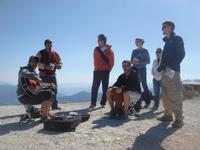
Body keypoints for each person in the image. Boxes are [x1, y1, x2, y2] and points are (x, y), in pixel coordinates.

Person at [157, 21, 185, 128]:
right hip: (165, 72)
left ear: (170, 27)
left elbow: (181, 54)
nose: (162, 29)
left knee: (175, 95)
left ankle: (179, 120)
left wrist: (171, 66)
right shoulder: (167, 42)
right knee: (165, 95)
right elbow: (164, 59)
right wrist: (160, 68)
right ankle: (168, 115)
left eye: (164, 26)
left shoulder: (177, 39)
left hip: (173, 72)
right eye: (162, 26)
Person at [17, 56, 55, 120]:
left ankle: (46, 113)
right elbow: (24, 73)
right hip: (23, 96)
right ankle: (44, 117)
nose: (34, 63)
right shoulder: (23, 69)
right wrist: (36, 78)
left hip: (30, 95)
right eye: (32, 61)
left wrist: (49, 85)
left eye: (36, 62)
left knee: (52, 94)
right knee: (48, 93)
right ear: (29, 62)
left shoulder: (34, 73)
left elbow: (39, 85)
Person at [36, 39, 63, 110]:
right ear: (45, 45)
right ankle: (44, 107)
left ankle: (54, 106)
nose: (50, 45)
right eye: (48, 44)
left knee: (54, 91)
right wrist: (45, 66)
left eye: (51, 44)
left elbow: (60, 61)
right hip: (43, 75)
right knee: (44, 91)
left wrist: (59, 65)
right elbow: (36, 63)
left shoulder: (55, 53)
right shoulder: (40, 53)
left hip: (52, 75)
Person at [90, 34, 114, 109]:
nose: (99, 41)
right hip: (97, 71)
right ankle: (93, 104)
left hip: (105, 71)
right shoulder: (96, 49)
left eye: (100, 40)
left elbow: (111, 61)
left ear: (104, 41)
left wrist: (108, 69)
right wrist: (104, 50)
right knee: (94, 87)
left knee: (105, 88)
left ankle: (103, 103)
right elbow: (96, 58)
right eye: (98, 40)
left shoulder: (109, 50)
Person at [131, 38, 151, 108]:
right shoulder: (134, 51)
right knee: (136, 86)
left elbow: (148, 61)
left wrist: (140, 62)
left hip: (142, 69)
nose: (136, 43)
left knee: (144, 85)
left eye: (137, 41)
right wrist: (134, 62)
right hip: (135, 70)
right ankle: (138, 103)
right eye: (135, 42)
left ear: (141, 42)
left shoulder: (145, 51)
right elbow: (131, 61)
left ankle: (147, 102)